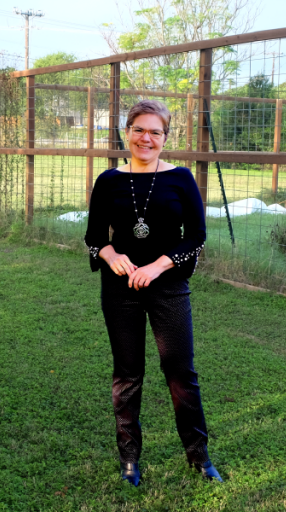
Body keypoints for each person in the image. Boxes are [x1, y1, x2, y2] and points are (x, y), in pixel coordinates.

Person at [84, 100, 222, 487]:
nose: (147, 138)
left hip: (169, 286)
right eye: (139, 130)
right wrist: (112, 256)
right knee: (128, 374)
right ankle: (130, 459)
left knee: (181, 372)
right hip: (119, 287)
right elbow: (95, 239)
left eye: (155, 132)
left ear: (165, 137)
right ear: (126, 132)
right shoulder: (108, 180)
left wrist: (158, 265)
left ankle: (199, 457)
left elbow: (196, 237)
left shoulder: (181, 178)